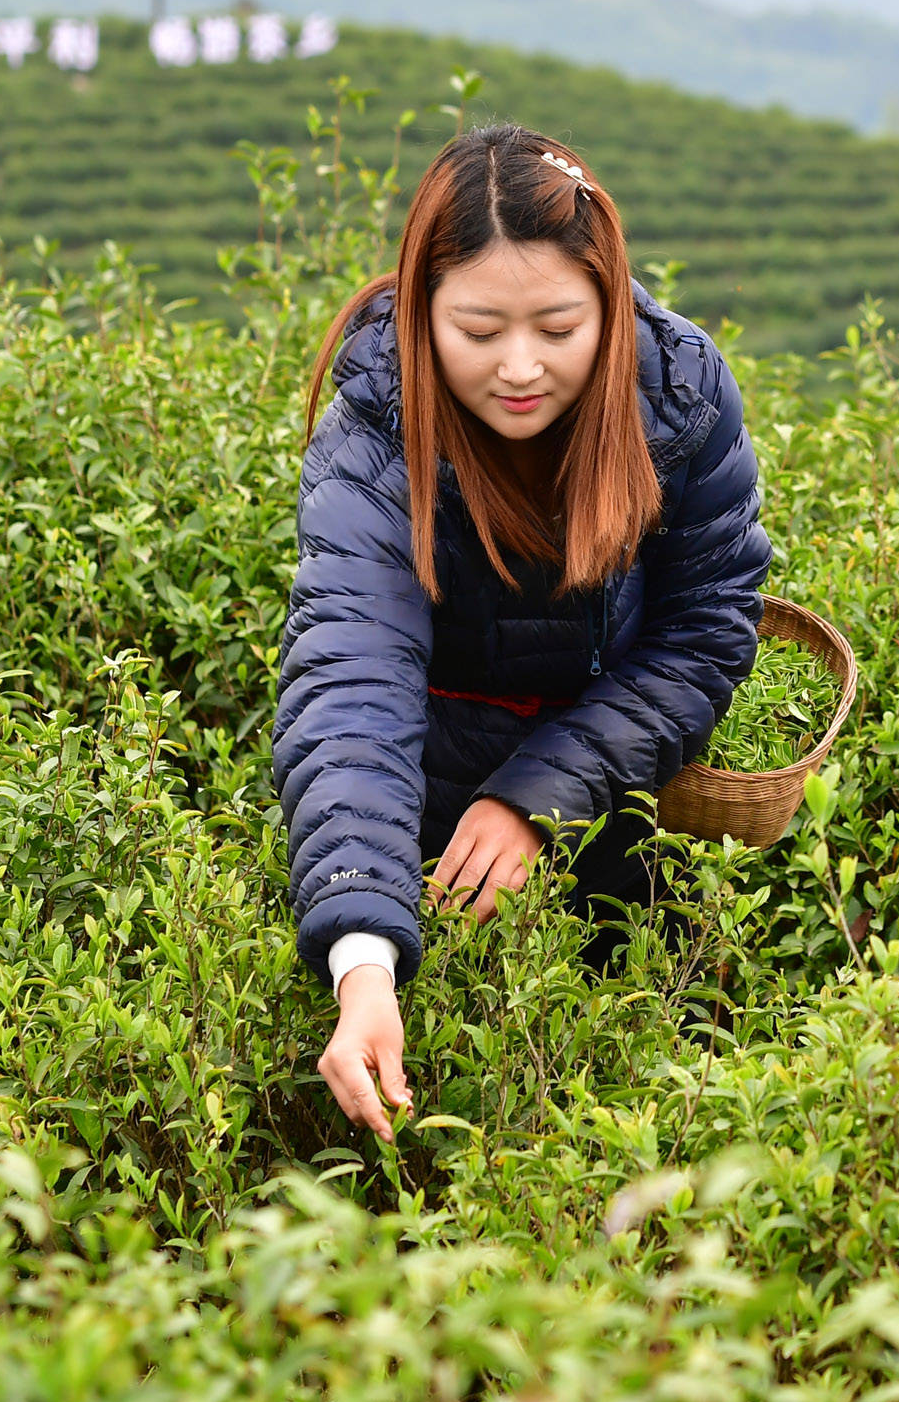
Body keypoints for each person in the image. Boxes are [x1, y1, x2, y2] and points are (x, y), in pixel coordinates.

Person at [275, 124, 770, 1139]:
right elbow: (350, 685)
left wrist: (537, 796)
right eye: (477, 328)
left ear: (609, 297)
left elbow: (705, 631)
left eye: (557, 325)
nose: (519, 366)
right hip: (424, 817)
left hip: (621, 791)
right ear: (421, 309)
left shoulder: (675, 395)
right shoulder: (379, 425)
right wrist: (362, 952)